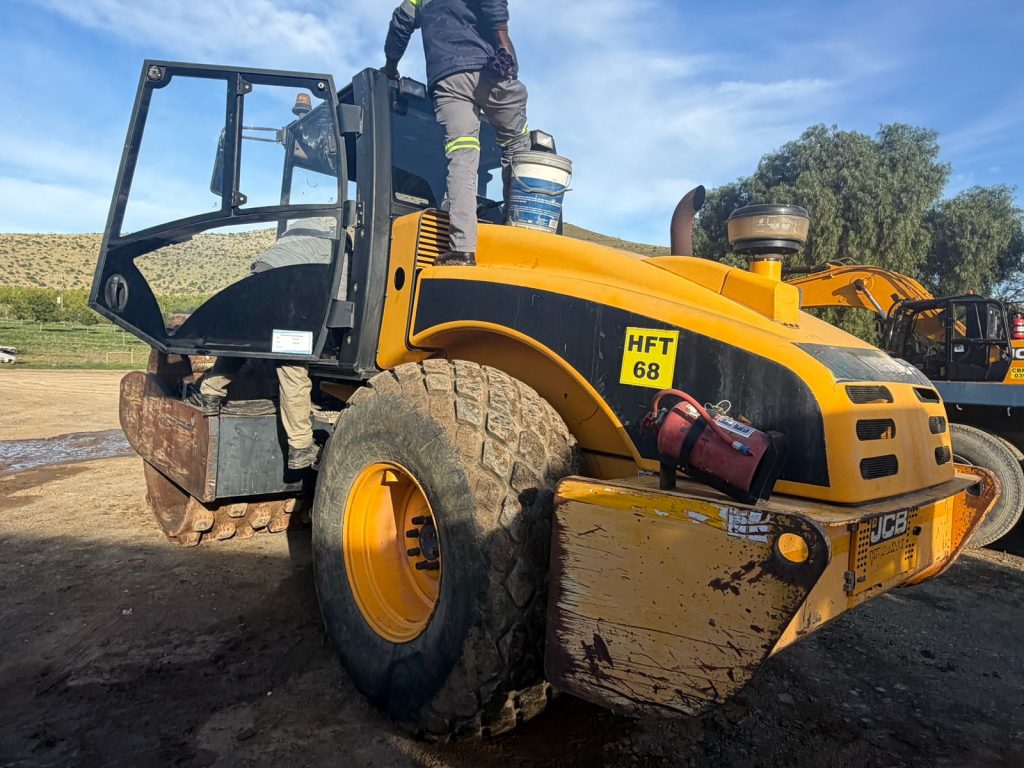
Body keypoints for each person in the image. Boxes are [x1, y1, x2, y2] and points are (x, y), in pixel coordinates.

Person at [383, 0, 531, 266]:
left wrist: (390, 66)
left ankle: (462, 249)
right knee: (518, 147)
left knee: (462, 156)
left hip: (449, 79)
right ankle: (519, 233)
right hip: (491, 68)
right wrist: (503, 41)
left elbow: (400, 23)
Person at [185, 221, 338, 470]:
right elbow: (339, 292)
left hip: (263, 281)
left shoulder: (302, 228)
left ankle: (210, 394)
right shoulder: (339, 240)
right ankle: (300, 447)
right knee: (292, 366)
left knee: (246, 341)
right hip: (292, 294)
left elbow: (263, 264)